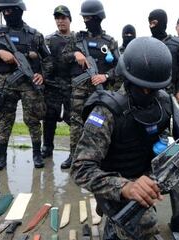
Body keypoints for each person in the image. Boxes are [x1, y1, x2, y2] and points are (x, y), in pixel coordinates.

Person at [71, 37, 179, 240]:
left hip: (154, 171)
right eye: (143, 88)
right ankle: (113, 224)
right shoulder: (107, 111)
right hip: (118, 181)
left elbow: (178, 147)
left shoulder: (164, 101)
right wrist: (125, 187)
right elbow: (81, 168)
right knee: (146, 225)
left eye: (155, 88)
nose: (149, 94)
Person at [0, 0, 50, 171]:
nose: (7, 14)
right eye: (3, 11)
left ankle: (36, 154)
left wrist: (42, 75)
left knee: (33, 119)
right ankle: (1, 156)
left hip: (29, 84)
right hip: (5, 84)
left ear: (20, 10)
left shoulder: (35, 35)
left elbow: (48, 60)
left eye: (10, 10)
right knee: (5, 119)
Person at [61, 0, 120, 169]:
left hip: (100, 91)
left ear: (99, 18)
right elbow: (63, 58)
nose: (87, 21)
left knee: (100, 123)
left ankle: (100, 157)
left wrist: (105, 76)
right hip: (79, 90)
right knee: (76, 123)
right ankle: (73, 156)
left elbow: (120, 67)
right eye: (85, 18)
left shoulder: (109, 42)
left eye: (90, 18)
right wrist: (75, 54)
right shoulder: (76, 38)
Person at [41, 5, 75, 159]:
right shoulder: (47, 40)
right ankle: (47, 147)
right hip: (52, 86)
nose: (60, 21)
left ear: (70, 19)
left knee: (73, 119)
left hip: (71, 86)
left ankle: (74, 152)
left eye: (63, 18)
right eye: (57, 18)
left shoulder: (77, 39)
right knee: (49, 117)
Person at [148, 9, 179, 103]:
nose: (152, 26)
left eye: (154, 23)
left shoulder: (176, 44)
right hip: (149, 90)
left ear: (162, 22)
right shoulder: (147, 43)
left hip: (170, 91)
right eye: (150, 23)